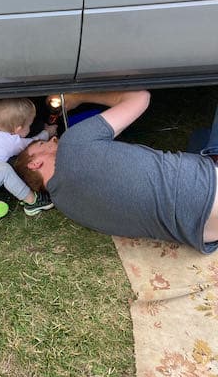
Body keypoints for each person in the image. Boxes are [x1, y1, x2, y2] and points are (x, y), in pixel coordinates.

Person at [14, 90, 218, 254]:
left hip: (203, 234)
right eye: (42, 144)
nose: (53, 139)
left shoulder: (66, 206)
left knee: (201, 136)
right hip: (209, 189)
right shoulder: (72, 143)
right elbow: (140, 97)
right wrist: (79, 97)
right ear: (35, 163)